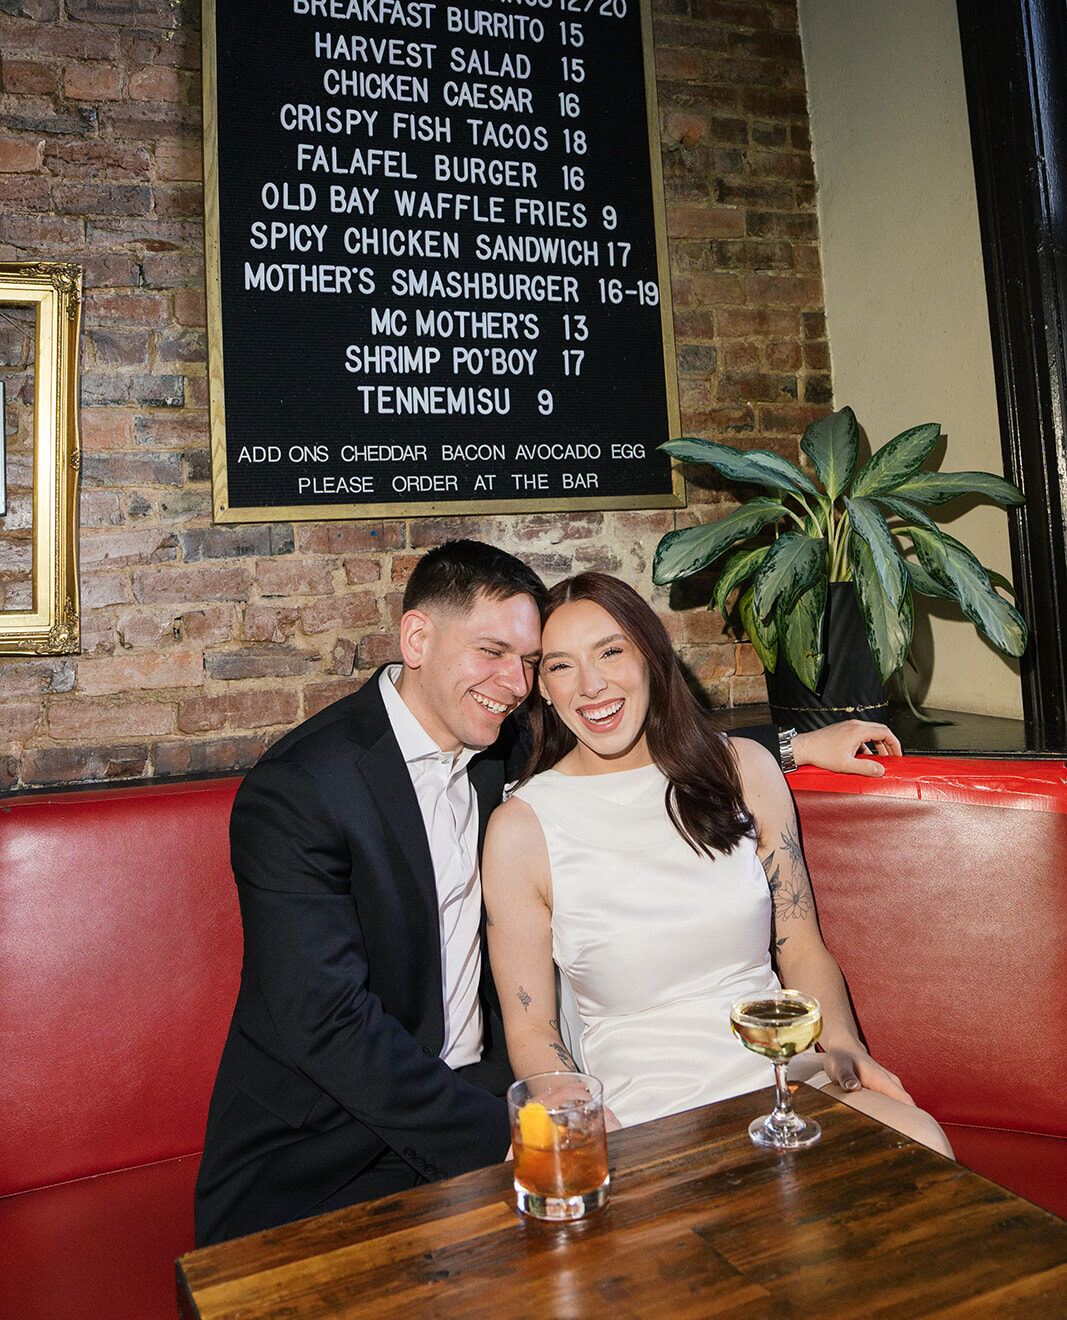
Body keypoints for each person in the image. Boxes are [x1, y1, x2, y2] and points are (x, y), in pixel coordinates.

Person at [194, 541, 907, 1245]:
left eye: (527, 664)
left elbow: (640, 740)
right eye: (492, 653)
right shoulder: (301, 790)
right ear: (417, 637)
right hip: (330, 1146)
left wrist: (793, 746)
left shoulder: (490, 737)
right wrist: (532, 1127)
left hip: (489, 1089)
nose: (513, 684)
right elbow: (325, 1021)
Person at [483, 571, 951, 1154]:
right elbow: (531, 1025)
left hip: (780, 1078)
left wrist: (846, 1046)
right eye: (560, 666)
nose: (591, 684)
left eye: (611, 652)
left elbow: (801, 946)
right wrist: (575, 1111)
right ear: (543, 690)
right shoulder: (521, 829)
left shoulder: (744, 770)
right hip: (637, 1114)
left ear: (652, 658)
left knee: (920, 1138)